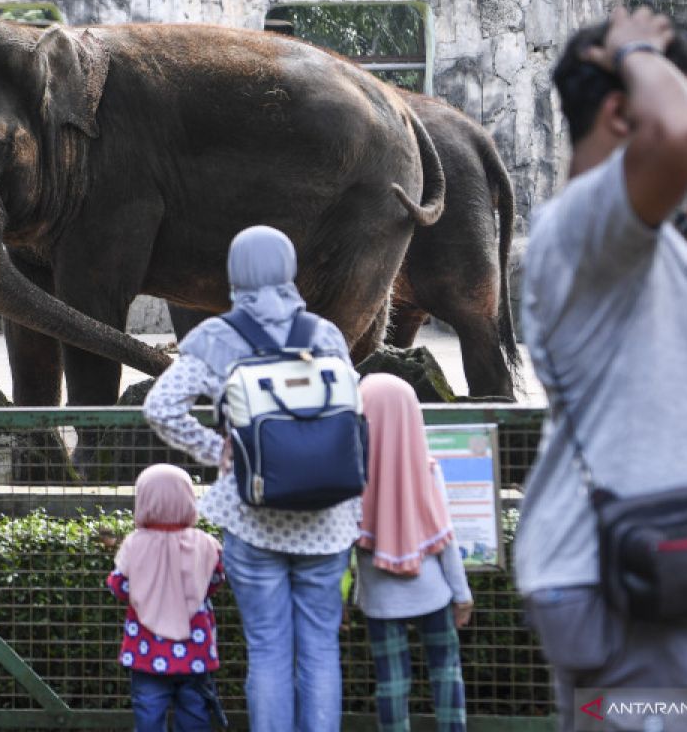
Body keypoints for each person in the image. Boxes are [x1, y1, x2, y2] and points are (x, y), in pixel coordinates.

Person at [517, 7, 687, 731]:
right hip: (624, 573)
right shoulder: (580, 223)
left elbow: (623, 326)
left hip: (649, 564)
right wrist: (636, 48)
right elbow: (677, 136)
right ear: (623, 112)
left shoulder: (617, 239)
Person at [143, 225, 359, 732]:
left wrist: (217, 450)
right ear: (288, 270)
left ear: (234, 274)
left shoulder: (216, 337)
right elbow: (350, 414)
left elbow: (161, 406)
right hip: (328, 517)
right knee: (321, 649)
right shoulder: (325, 335)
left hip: (252, 511)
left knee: (267, 649)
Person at [355, 374, 472, 732]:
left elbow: (346, 546)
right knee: (446, 671)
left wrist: (347, 596)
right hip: (433, 594)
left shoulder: (351, 477)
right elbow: (445, 540)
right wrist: (462, 595)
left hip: (379, 601)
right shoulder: (427, 470)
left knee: (391, 682)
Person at [106, 463, 225, 731]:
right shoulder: (204, 543)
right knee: (195, 708)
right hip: (194, 644)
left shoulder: (135, 543)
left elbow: (118, 586)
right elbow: (216, 579)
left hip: (147, 646)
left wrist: (146, 594)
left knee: (148, 708)